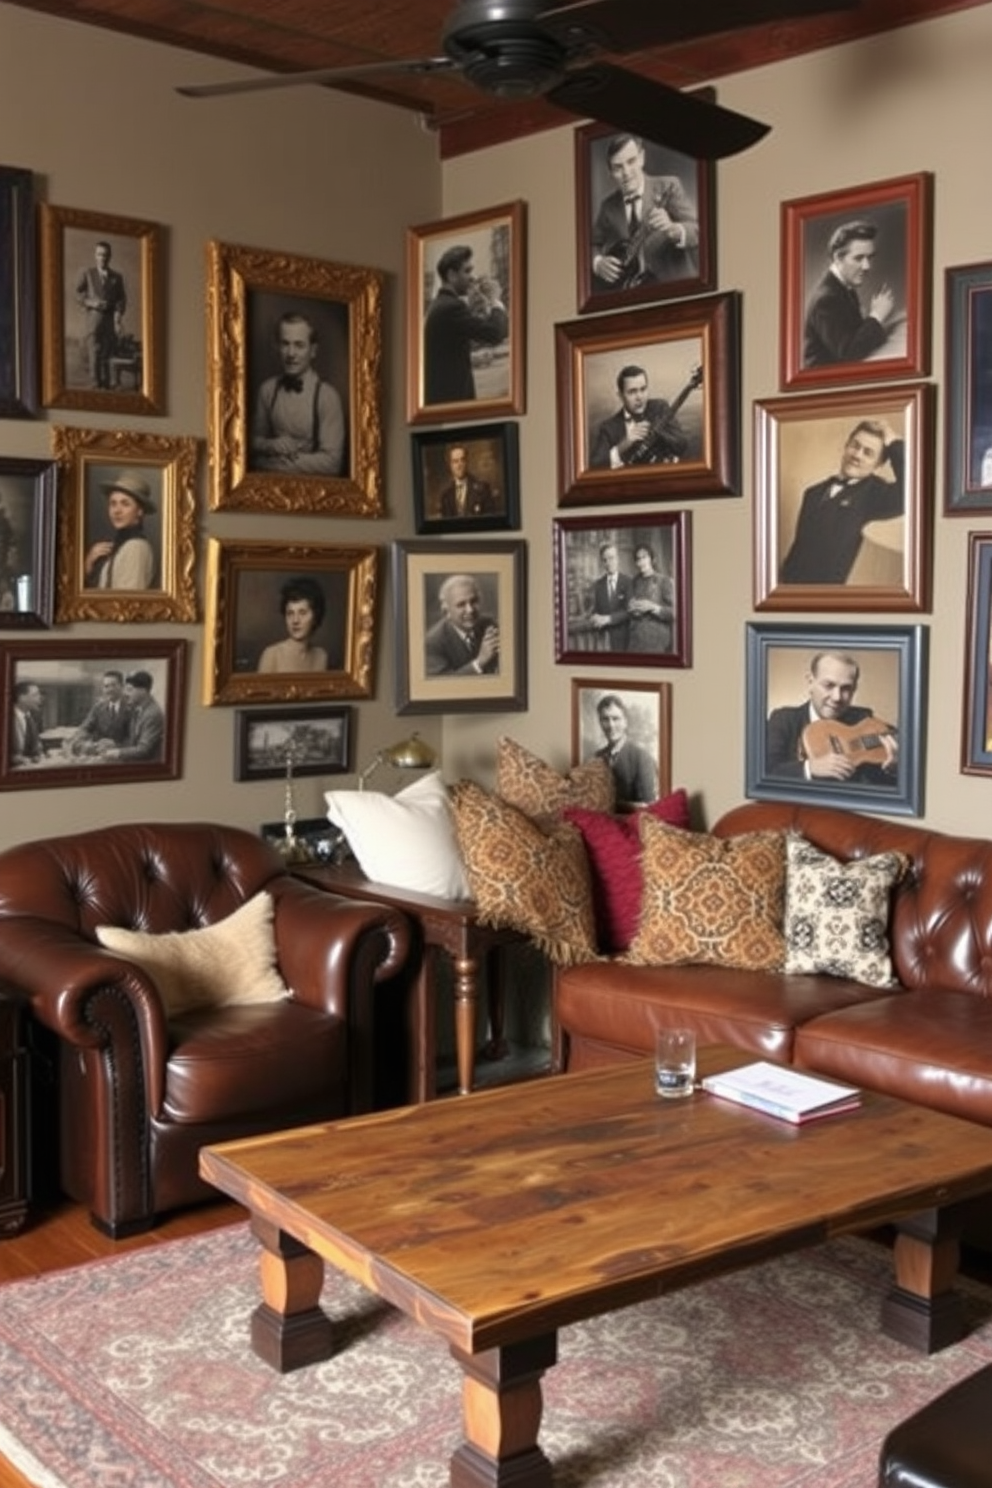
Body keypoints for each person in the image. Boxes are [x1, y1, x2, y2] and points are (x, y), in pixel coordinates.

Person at [780, 421, 904, 586]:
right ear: (846, 446)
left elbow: (914, 489)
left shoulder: (876, 495)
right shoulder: (812, 493)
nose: (857, 455)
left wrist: (895, 443)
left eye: (868, 453)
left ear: (879, 464)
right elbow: (800, 547)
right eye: (855, 446)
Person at [766, 651, 898, 786]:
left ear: (854, 689)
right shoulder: (783, 719)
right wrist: (809, 768)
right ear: (811, 682)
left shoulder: (864, 720)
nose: (837, 697)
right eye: (829, 685)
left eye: (846, 688)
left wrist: (893, 770)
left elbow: (877, 788)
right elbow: (767, 771)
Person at [591, 133, 699, 291]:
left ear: (642, 158)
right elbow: (591, 244)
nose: (626, 173)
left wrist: (673, 229)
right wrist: (597, 262)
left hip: (677, 289)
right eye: (618, 167)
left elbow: (699, 229)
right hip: (635, 297)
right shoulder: (608, 206)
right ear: (610, 172)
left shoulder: (669, 186)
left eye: (631, 161)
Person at [251, 312, 345, 475]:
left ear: (313, 350)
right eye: (285, 344)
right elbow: (250, 443)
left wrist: (269, 464)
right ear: (277, 347)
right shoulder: (267, 390)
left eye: (299, 345)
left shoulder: (327, 397)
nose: (291, 353)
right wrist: (271, 445)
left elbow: (331, 463)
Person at [803, 221, 902, 368]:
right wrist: (876, 316)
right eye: (858, 258)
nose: (867, 266)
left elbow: (853, 337)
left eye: (870, 257)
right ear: (838, 258)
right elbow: (849, 354)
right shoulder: (826, 299)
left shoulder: (842, 287)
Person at [423, 245, 508, 407]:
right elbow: (495, 333)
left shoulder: (439, 305)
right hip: (453, 405)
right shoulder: (452, 307)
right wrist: (496, 300)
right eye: (467, 271)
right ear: (451, 275)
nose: (473, 277)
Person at [589, 365, 690, 470]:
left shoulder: (660, 408)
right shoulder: (608, 427)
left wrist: (657, 431)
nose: (639, 397)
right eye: (632, 392)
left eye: (643, 389)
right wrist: (624, 444)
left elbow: (682, 445)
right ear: (620, 396)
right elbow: (595, 466)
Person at [83, 470, 157, 590]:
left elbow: (125, 604)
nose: (117, 511)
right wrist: (88, 564)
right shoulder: (120, 546)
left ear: (140, 511)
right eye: (113, 503)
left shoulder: (136, 547)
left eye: (125, 504)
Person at [74, 240, 127, 390]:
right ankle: (94, 383)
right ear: (95, 256)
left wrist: (118, 316)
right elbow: (78, 294)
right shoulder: (88, 274)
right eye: (99, 254)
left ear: (110, 256)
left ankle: (106, 384)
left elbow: (121, 299)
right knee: (94, 352)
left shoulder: (117, 277)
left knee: (107, 352)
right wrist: (91, 303)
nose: (102, 258)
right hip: (94, 320)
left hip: (110, 320)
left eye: (105, 255)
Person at [424, 573, 499, 676]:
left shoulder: (489, 624)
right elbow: (443, 686)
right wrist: (480, 662)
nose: (470, 610)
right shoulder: (432, 643)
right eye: (461, 605)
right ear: (446, 611)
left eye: (474, 601)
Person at [594, 694, 658, 805]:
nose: (611, 725)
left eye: (616, 719)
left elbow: (648, 807)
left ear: (625, 722)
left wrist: (616, 804)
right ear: (600, 723)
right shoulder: (596, 757)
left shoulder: (641, 758)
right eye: (605, 719)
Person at [258, 576, 330, 673]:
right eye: (290, 613)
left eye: (302, 613)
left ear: (315, 617)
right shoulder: (272, 655)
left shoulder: (321, 656)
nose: (295, 620)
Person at [100, 671, 164, 763]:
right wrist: (114, 745)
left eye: (130, 690)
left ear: (143, 691)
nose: (126, 694)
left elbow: (144, 750)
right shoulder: (138, 709)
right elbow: (132, 742)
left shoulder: (153, 714)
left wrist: (116, 752)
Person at [68, 670, 131, 758]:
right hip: (100, 756)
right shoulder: (99, 707)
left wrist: (116, 745)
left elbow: (136, 739)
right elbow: (84, 728)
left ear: (122, 686)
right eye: (106, 686)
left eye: (113, 685)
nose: (109, 690)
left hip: (123, 757)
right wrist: (84, 742)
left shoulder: (132, 707)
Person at [627, 543, 675, 653]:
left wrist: (653, 607)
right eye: (638, 559)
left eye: (644, 557)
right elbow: (630, 608)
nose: (641, 562)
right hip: (635, 641)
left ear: (652, 559)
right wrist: (631, 609)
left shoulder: (664, 581)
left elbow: (675, 612)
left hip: (656, 642)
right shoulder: (634, 581)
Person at [587, 541, 633, 651]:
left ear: (618, 559)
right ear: (602, 563)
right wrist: (593, 616)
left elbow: (629, 611)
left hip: (625, 640)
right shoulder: (598, 584)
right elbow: (596, 609)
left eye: (611, 558)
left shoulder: (628, 582)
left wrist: (608, 619)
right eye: (604, 560)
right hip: (605, 641)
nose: (608, 563)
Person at [436, 444, 497, 519]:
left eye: (462, 460)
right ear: (450, 465)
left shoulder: (483, 489)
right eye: (455, 461)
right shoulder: (446, 496)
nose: (459, 465)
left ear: (467, 462)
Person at [10, 681, 43, 767]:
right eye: (35, 695)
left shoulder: (33, 717)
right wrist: (13, 758)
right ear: (21, 698)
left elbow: (34, 749)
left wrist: (37, 755)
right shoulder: (5, 717)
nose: (40, 698)